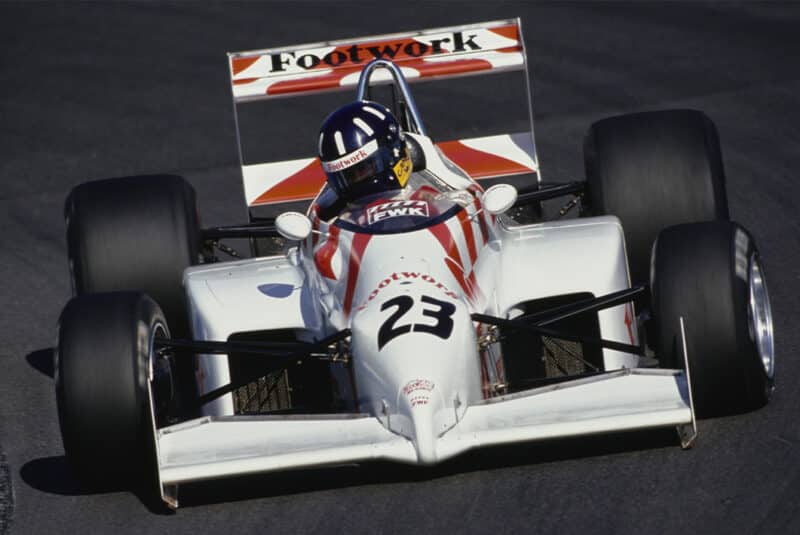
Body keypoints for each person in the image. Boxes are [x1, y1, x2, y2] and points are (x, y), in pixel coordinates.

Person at [317, 100, 413, 207]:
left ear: (393, 153)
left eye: (364, 169)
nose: (358, 179)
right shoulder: (328, 210)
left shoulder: (429, 187)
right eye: (350, 176)